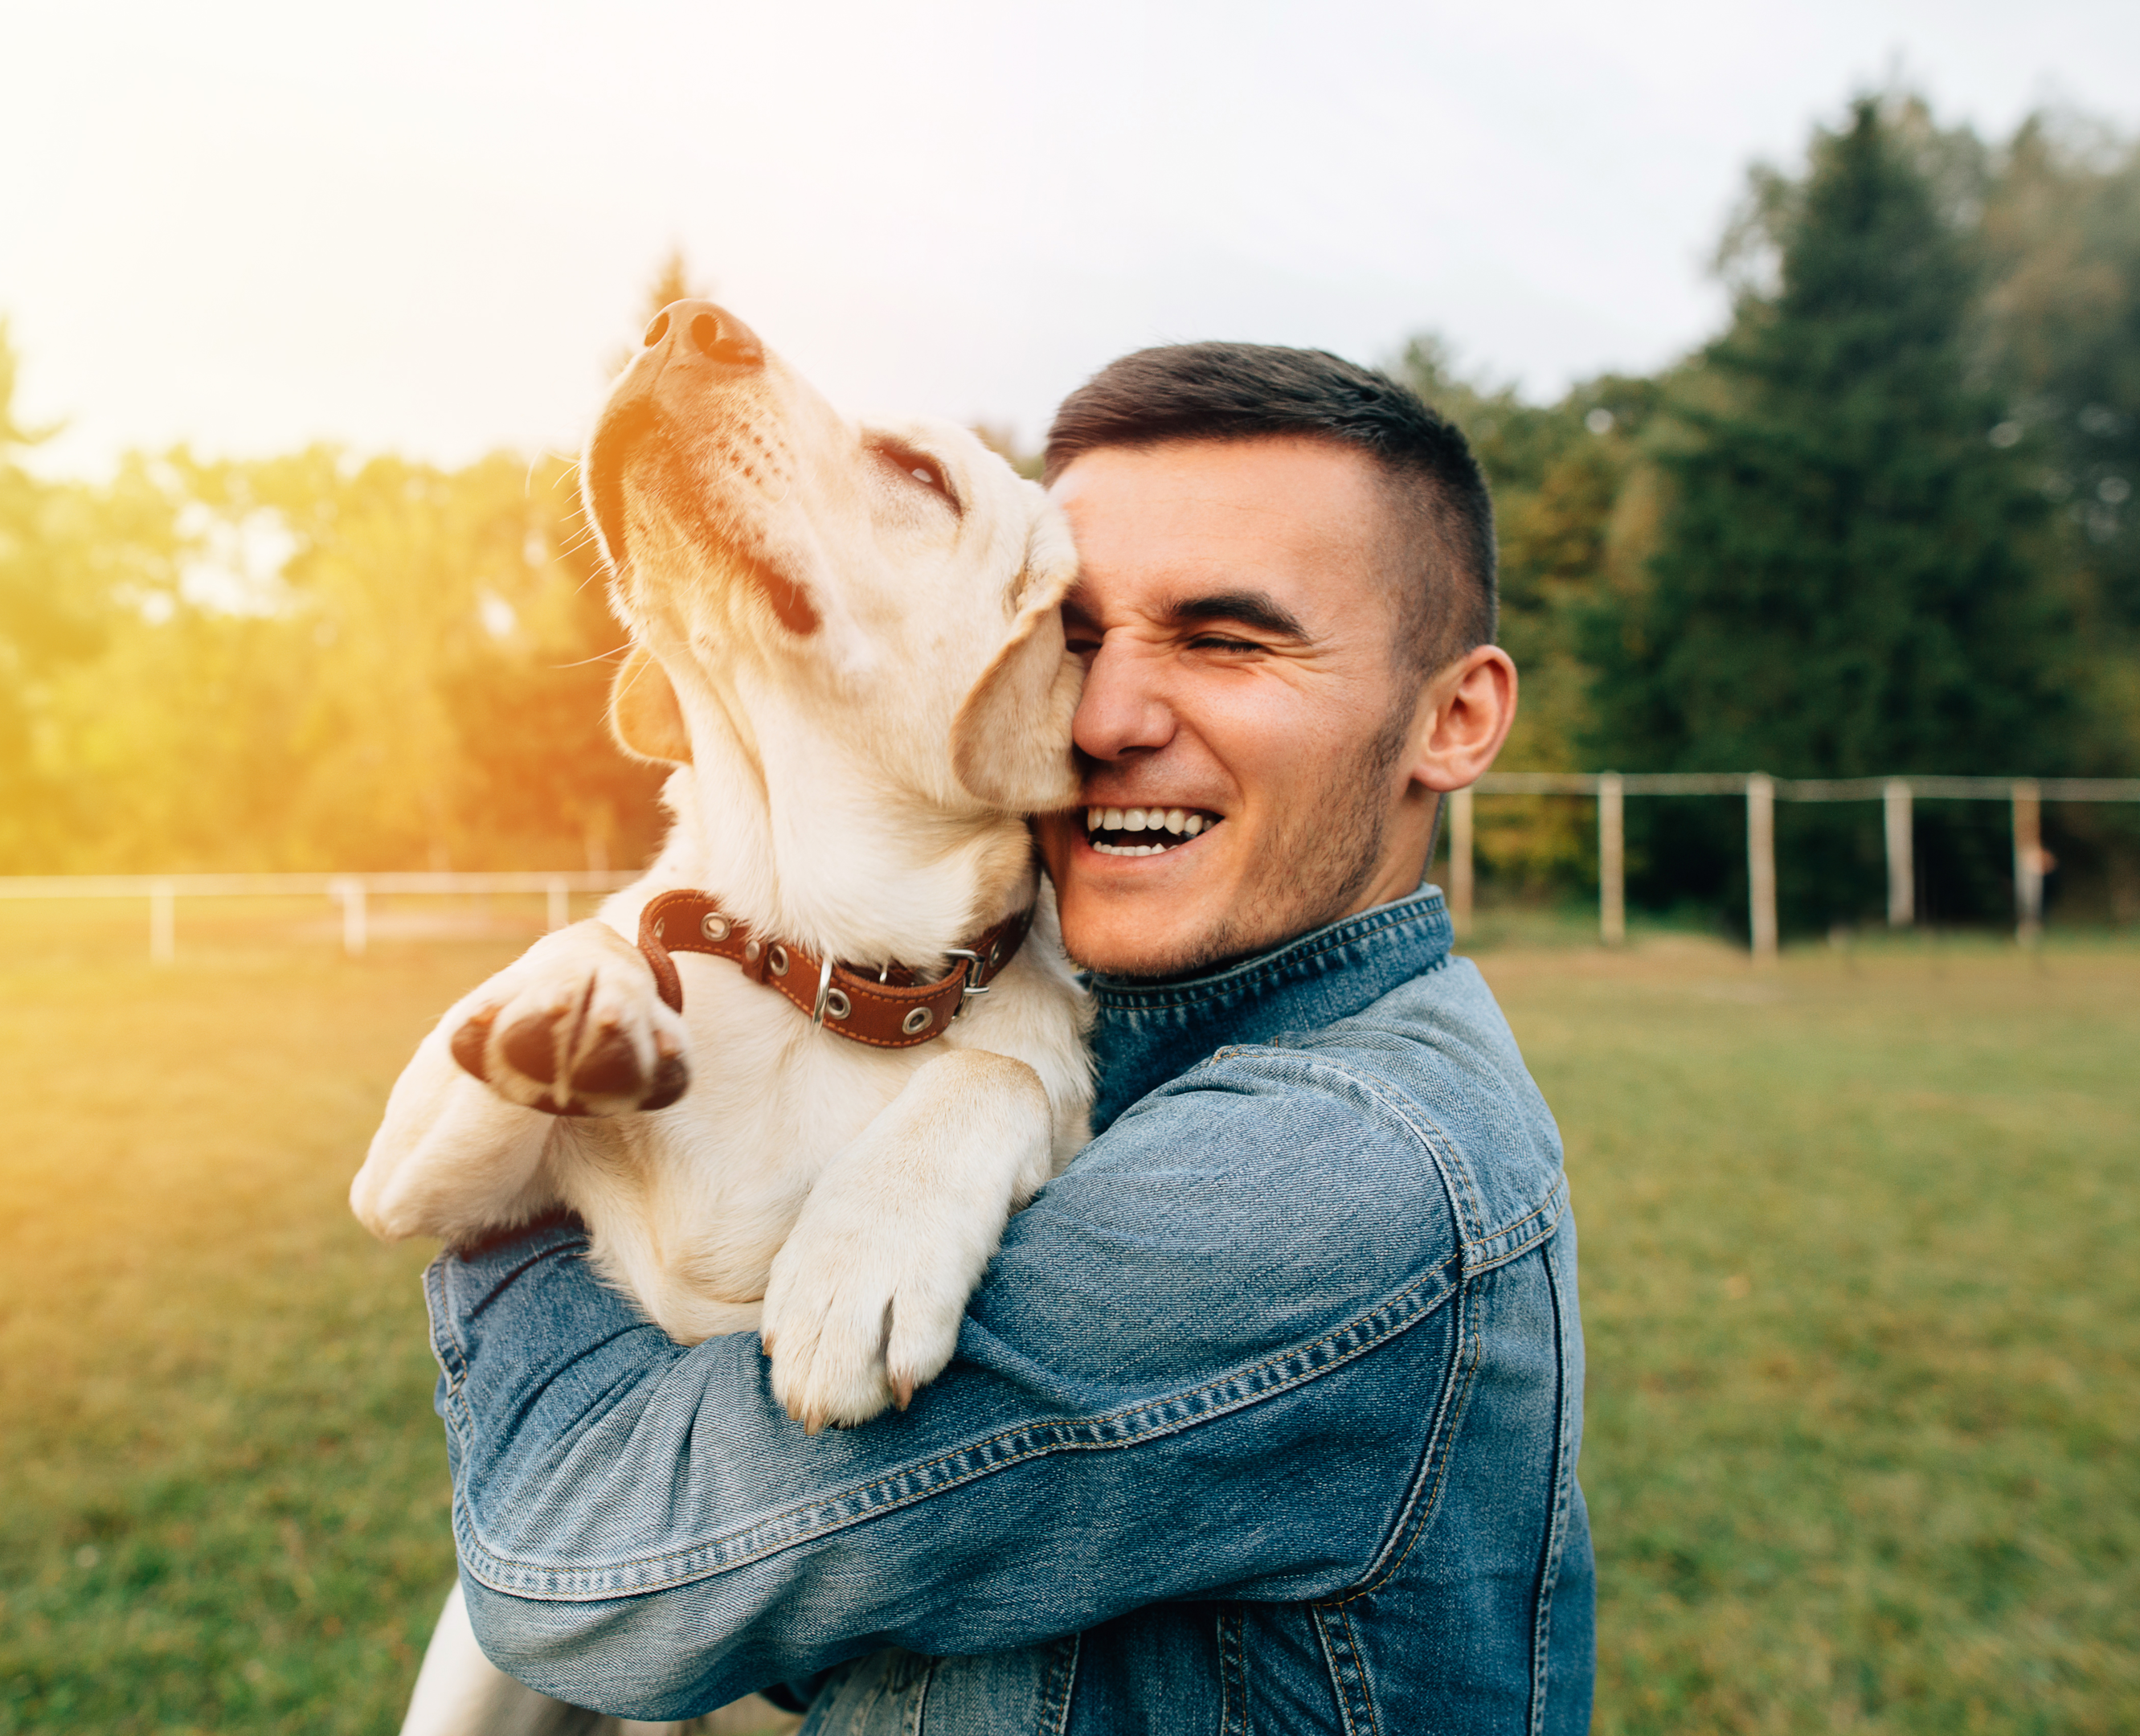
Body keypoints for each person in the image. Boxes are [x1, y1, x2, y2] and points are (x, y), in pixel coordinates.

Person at [417, 344, 1591, 1733]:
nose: (1101, 718)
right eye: (1078, 637)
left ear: (1456, 720)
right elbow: (823, 1633)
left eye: (1226, 640)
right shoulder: (1090, 1032)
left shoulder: (1339, 1175)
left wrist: (515, 1164)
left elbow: (597, 1570)